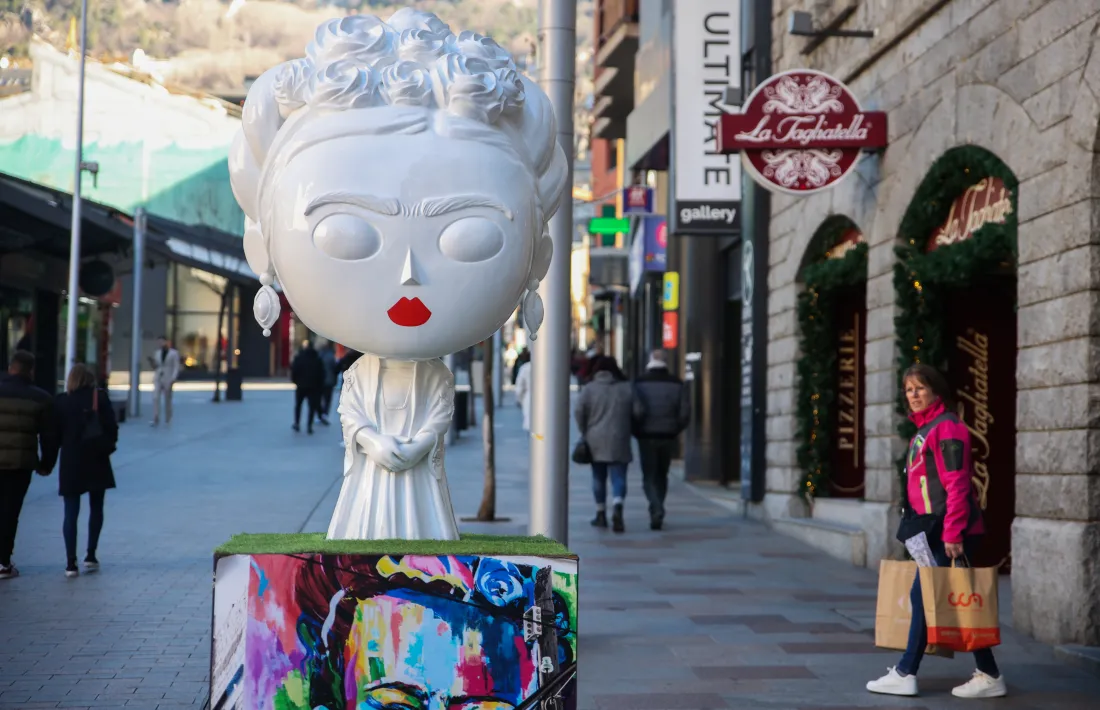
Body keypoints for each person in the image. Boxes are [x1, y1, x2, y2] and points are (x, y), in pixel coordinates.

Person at [866, 363, 1005, 699]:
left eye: (920, 388)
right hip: (934, 529)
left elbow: (957, 484)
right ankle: (984, 673)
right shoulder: (928, 428)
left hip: (948, 530)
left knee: (931, 595)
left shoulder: (947, 428)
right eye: (908, 390)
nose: (913, 395)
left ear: (935, 390)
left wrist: (953, 533)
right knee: (937, 596)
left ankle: (908, 672)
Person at [53, 363, 118, 578]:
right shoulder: (100, 398)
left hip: (71, 461)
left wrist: (47, 462)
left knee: (70, 512)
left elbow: (53, 434)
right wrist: (108, 447)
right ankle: (91, 554)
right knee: (96, 507)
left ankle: (70, 563)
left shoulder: (62, 401)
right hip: (97, 458)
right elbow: (112, 427)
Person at [0, 351, 57, 579]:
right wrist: (46, 464)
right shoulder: (40, 398)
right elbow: (49, 436)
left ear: (11, 368)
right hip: (19, 465)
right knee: (9, 512)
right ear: (31, 371)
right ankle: (3, 562)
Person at [574, 356, 634, 533]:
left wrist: (585, 430)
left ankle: (600, 513)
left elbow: (578, 411)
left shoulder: (589, 389)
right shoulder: (626, 388)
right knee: (619, 476)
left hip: (595, 439)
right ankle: (618, 505)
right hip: (620, 438)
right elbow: (638, 411)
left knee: (598, 476)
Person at [632, 349, 690, 530]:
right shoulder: (677, 383)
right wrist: (675, 429)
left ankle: (656, 507)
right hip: (668, 435)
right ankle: (658, 507)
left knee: (648, 476)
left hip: (646, 435)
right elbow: (685, 413)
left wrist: (636, 430)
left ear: (649, 361)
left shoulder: (638, 383)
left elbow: (635, 410)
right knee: (662, 475)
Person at [291, 340, 326, 433]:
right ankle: (309, 426)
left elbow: (294, 370)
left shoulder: (299, 357)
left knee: (298, 405)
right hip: (313, 386)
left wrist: (295, 381)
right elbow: (321, 374)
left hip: (301, 385)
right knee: (312, 407)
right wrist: (320, 386)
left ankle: (297, 423)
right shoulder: (317, 358)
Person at [149, 335, 180, 426]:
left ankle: (168, 419)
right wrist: (152, 362)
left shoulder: (174, 353)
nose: (160, 343)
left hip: (168, 377)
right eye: (159, 342)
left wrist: (173, 378)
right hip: (158, 377)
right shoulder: (157, 353)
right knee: (155, 397)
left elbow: (176, 366)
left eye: (162, 341)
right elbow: (155, 366)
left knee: (167, 399)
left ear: (166, 342)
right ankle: (156, 417)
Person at [317, 339, 338, 425]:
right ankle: (324, 414)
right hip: (329, 381)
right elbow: (335, 368)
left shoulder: (320, 354)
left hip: (320, 380)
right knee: (327, 399)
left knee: (319, 398)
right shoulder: (331, 356)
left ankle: (321, 415)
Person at [514, 357, 532, 432]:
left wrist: (520, 400)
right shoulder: (550, 366)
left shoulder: (526, 367)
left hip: (529, 399)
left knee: (532, 430)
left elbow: (519, 389)